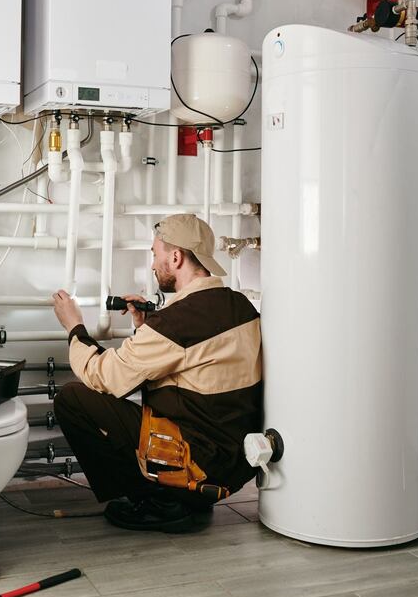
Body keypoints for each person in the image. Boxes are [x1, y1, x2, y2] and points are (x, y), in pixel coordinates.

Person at [52, 213, 263, 532]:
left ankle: (157, 502)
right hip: (232, 465)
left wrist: (74, 327)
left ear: (176, 257)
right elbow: (192, 359)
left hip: (196, 464)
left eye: (155, 253)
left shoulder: (176, 324)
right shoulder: (241, 306)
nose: (152, 264)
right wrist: (147, 325)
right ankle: (188, 499)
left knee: (73, 398)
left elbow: (105, 377)